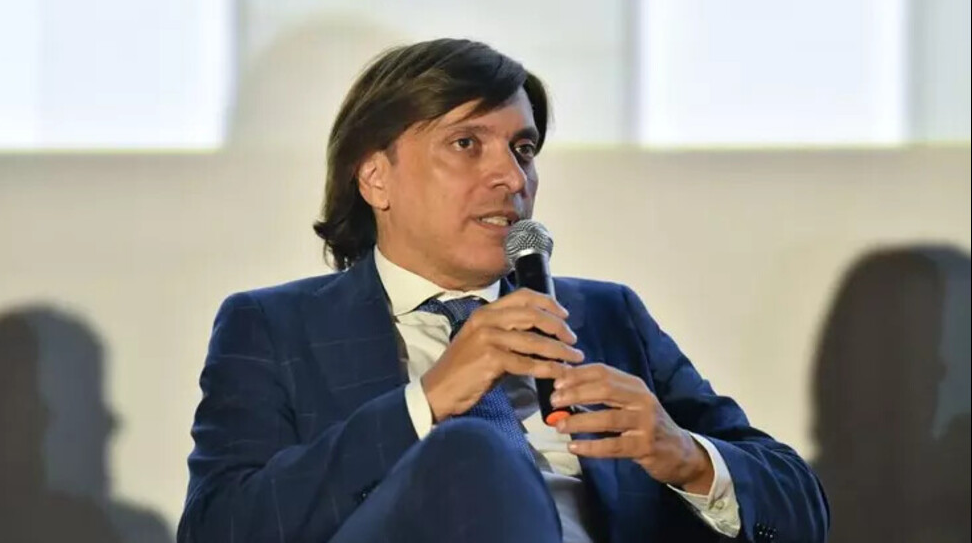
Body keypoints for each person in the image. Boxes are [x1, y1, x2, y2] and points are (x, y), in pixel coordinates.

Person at [177, 38, 829, 543]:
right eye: (466, 143)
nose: (512, 178)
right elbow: (219, 530)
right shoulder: (273, 327)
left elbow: (799, 515)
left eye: (523, 149)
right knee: (470, 449)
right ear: (375, 178)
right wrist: (426, 404)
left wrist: (686, 458)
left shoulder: (607, 317)